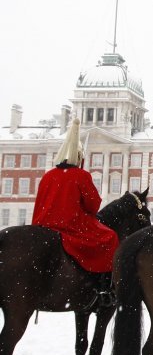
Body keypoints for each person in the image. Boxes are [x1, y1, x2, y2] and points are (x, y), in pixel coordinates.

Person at [32, 118, 118, 308]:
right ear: (79, 158)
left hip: (43, 225)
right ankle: (104, 287)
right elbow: (93, 206)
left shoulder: (48, 175)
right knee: (110, 237)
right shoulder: (80, 175)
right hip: (70, 226)